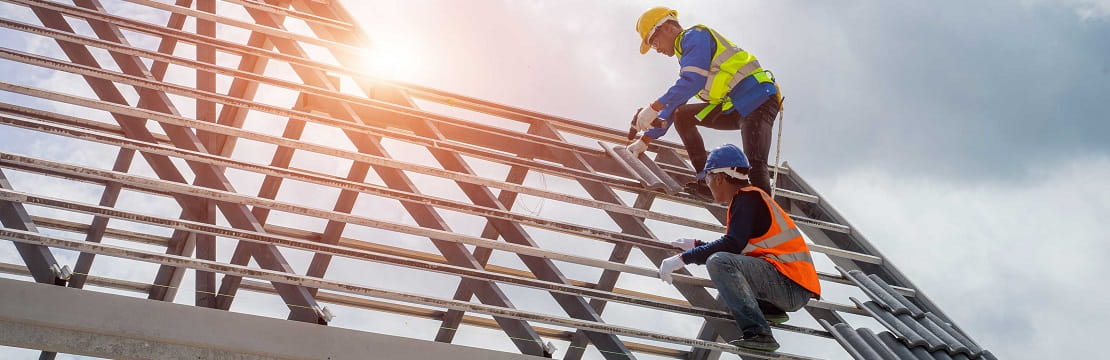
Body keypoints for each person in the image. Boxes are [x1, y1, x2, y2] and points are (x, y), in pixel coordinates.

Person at [657, 144, 820, 352]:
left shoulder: (747, 198)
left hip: (789, 285)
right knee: (723, 262)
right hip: (790, 285)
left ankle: (759, 333)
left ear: (719, 178)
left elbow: (731, 246)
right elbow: (738, 248)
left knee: (718, 263)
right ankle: (769, 309)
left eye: (707, 179)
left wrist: (683, 258)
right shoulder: (750, 198)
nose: (708, 185)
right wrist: (697, 246)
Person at [628, 6, 783, 198]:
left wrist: (653, 107)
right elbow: (678, 101)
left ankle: (764, 213)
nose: (657, 49)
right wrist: (645, 140)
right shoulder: (686, 52)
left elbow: (692, 81)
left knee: (755, 165)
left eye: (654, 42)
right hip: (733, 107)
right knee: (682, 116)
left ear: (667, 28)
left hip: (757, 98)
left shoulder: (695, 36)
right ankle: (706, 181)